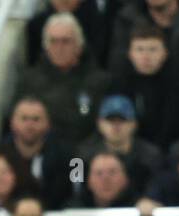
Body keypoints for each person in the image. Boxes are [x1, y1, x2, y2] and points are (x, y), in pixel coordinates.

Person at [13, 13, 110, 149]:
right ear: (45, 47)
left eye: (66, 41)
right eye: (53, 41)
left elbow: (100, 125)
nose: (59, 48)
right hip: (41, 151)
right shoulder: (29, 81)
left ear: (79, 45)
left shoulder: (99, 81)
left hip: (82, 155)